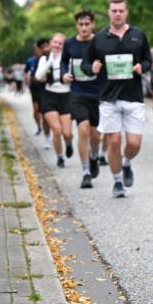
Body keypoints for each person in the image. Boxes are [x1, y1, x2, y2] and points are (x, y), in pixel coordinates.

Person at [84, 0, 152, 198]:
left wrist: (143, 67)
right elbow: (85, 65)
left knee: (134, 144)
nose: (118, 14)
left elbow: (148, 59)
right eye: (114, 10)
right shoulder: (99, 39)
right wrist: (92, 68)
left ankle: (127, 162)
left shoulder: (138, 35)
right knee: (114, 142)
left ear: (126, 12)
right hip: (109, 99)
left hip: (133, 97)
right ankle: (117, 182)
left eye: (121, 10)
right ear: (108, 12)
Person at [61, 10, 104, 188]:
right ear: (76, 25)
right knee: (83, 129)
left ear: (93, 24)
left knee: (95, 134)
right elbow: (63, 62)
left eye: (87, 24)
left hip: (98, 92)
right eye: (81, 24)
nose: (84, 27)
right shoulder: (70, 43)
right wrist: (64, 75)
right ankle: (86, 172)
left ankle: (94, 156)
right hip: (77, 92)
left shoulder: (100, 41)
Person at [35, 33, 74, 167]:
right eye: (55, 42)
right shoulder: (44, 59)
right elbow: (39, 76)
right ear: (51, 43)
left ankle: (68, 143)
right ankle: (60, 157)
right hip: (49, 95)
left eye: (60, 43)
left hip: (66, 95)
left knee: (67, 133)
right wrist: (50, 61)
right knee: (56, 130)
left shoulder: (69, 59)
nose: (57, 45)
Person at [26, 39, 50, 136]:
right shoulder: (34, 61)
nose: (44, 49)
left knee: (45, 114)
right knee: (36, 109)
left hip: (48, 89)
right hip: (36, 88)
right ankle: (39, 127)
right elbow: (33, 75)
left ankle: (47, 133)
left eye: (46, 46)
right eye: (41, 47)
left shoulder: (52, 58)